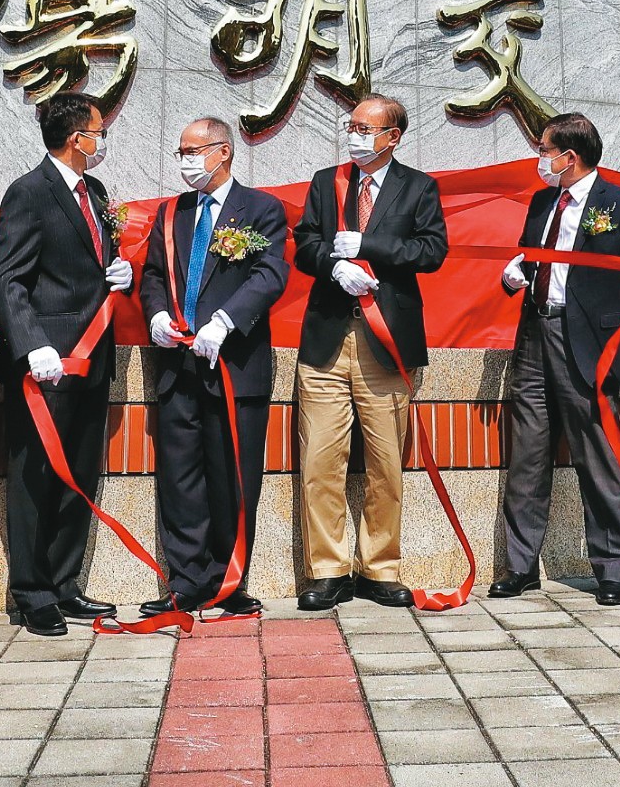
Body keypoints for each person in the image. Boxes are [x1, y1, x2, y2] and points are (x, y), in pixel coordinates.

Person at [490, 113, 620, 604]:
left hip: (587, 343)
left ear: (569, 157)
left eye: (545, 150)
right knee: (528, 456)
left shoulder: (619, 202)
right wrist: (515, 273)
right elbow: (529, 256)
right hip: (535, 335)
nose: (540, 159)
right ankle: (520, 566)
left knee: (597, 456)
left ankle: (613, 569)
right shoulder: (543, 201)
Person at [292, 96, 448, 611]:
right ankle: (328, 570)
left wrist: (369, 247)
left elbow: (432, 251)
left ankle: (380, 569)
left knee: (385, 465)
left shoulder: (418, 187)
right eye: (352, 126)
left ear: (392, 136)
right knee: (321, 461)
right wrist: (333, 264)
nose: (355, 136)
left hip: (387, 343)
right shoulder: (327, 182)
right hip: (326, 342)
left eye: (366, 128)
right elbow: (305, 243)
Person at [137, 117, 291, 619]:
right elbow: (153, 274)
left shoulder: (261, 209)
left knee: (233, 477)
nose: (185, 161)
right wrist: (156, 315)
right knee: (180, 479)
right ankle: (186, 583)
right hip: (178, 367)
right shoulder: (172, 213)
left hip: (234, 366)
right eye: (181, 152)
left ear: (222, 152)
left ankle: (229, 581)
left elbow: (270, 275)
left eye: (192, 151)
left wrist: (224, 321)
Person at [0, 92, 131, 637]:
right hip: (46, 366)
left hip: (93, 358)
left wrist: (118, 272)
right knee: (36, 476)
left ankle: (65, 581)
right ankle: (32, 592)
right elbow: (8, 278)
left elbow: (92, 261)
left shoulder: (95, 192)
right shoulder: (29, 192)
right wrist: (31, 344)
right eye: (99, 132)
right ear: (77, 139)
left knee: (79, 473)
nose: (102, 141)